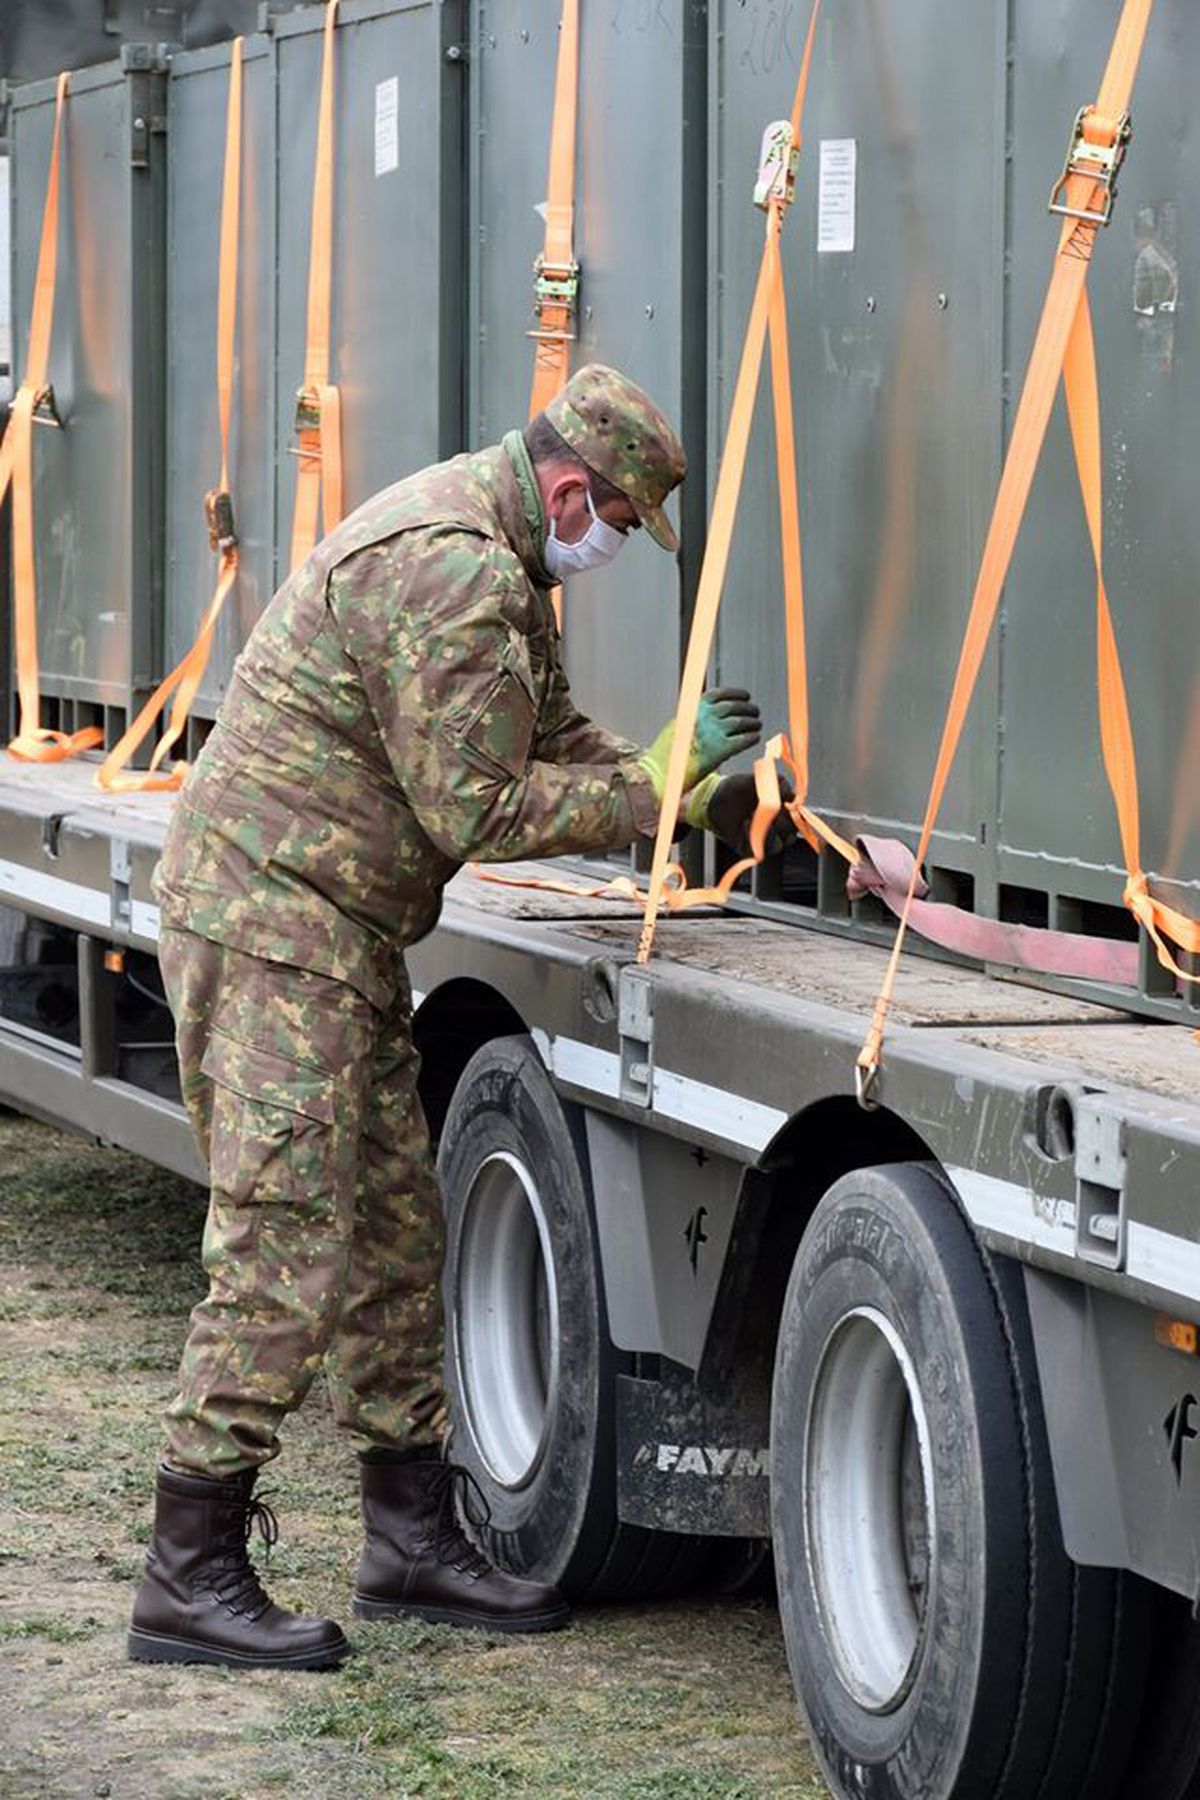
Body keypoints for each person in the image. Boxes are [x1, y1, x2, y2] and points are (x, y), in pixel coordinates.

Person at [128, 364, 778, 1672]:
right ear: (569, 489)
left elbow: (551, 742)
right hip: (270, 925)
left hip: (330, 927)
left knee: (395, 1234)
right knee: (287, 1233)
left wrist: (678, 792)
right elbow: (472, 810)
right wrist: (648, 792)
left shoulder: (497, 557)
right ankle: (187, 1568)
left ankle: (411, 1540)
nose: (607, 552)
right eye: (615, 526)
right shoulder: (461, 574)